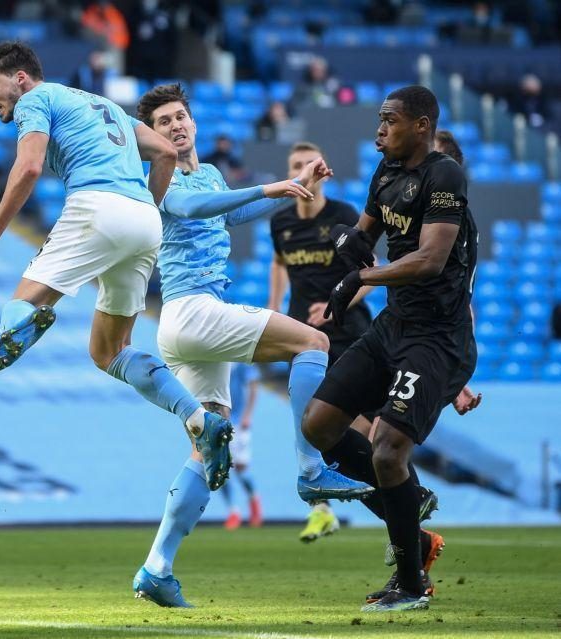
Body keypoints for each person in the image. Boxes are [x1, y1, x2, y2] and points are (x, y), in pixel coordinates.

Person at [0, 41, 234, 493]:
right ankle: (200, 418)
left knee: (19, 305)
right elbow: (164, 152)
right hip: (143, 221)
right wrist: (148, 209)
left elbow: (28, 167)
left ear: (20, 79)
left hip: (95, 206)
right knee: (110, 351)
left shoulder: (37, 100)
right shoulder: (103, 104)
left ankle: (32, 317)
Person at [129, 83, 373, 608]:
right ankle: (311, 470)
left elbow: (228, 213)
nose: (175, 126)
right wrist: (270, 188)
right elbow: (193, 209)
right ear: (152, 135)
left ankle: (156, 567)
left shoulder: (213, 172)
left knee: (207, 447)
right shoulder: (158, 175)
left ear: (193, 123)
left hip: (192, 325)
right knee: (311, 341)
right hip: (193, 310)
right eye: (164, 121)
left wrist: (295, 187)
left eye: (181, 117)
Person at [301, 86, 479, 612]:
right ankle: (408, 508)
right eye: (379, 121)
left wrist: (361, 273)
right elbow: (365, 238)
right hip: (393, 327)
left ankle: (411, 582)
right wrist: (346, 247)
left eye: (389, 121)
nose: (379, 130)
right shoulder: (386, 175)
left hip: (437, 341)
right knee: (319, 425)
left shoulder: (444, 174)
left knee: (387, 451)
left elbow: (428, 260)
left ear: (421, 125)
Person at [268, 141, 378, 543]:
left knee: (367, 429)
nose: (302, 170)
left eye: (307, 164)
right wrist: (273, 308)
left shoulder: (344, 218)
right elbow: (279, 262)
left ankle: (391, 497)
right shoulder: (280, 222)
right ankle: (322, 509)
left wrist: (337, 303)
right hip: (304, 340)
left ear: (322, 169)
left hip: (350, 334)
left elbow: (373, 272)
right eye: (294, 165)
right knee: (310, 423)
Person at [220, 363, 261, 530]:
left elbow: (253, 385)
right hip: (218, 422)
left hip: (238, 422)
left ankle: (254, 501)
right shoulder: (213, 354)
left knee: (241, 469)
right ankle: (233, 512)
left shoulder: (239, 357)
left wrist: (248, 415)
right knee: (220, 469)